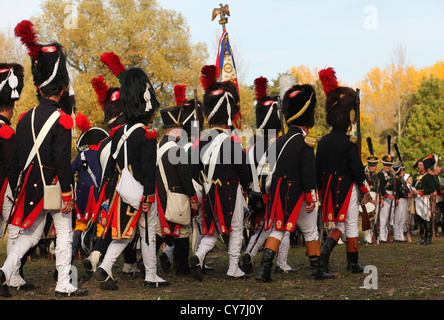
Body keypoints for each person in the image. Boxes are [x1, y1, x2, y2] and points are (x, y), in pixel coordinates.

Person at [0, 20, 88, 298]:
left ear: (39, 89)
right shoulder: (62, 119)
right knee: (63, 232)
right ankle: (63, 283)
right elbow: (63, 159)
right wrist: (66, 191)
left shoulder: (24, 118)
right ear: (61, 90)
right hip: (54, 187)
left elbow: (16, 159)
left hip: (29, 186)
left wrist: (18, 186)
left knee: (31, 235)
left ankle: (5, 270)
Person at [93, 67, 168, 289]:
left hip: (121, 191)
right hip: (140, 192)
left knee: (125, 234)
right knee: (147, 233)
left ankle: (106, 267)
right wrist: (149, 196)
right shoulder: (147, 134)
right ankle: (151, 275)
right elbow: (148, 170)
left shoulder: (119, 133)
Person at [255, 78, 334, 282]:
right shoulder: (305, 142)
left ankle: (264, 269)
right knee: (310, 231)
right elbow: (308, 173)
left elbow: (265, 170)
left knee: (278, 230)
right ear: (308, 117)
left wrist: (266, 193)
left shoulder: (277, 141)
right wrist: (311, 196)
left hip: (280, 193)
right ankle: (316, 270)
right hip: (299, 194)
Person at [189, 65, 250, 281]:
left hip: (208, 191)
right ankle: (233, 267)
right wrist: (248, 186)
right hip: (231, 191)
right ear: (228, 115)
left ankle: (199, 255)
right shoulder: (232, 141)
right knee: (235, 229)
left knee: (211, 230)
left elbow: (194, 171)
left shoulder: (200, 142)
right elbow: (244, 171)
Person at [317, 67, 371, 275]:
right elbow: (356, 169)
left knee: (339, 223)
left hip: (329, 187)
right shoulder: (349, 143)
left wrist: (320, 189)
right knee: (348, 224)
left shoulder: (322, 142)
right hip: (347, 187)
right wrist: (364, 188)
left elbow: (318, 168)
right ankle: (350, 263)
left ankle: (326, 253)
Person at [242, 76, 296, 275]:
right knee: (280, 229)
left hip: (253, 195)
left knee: (261, 228)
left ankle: (251, 251)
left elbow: (246, 174)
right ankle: (280, 262)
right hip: (273, 194)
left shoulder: (250, 147)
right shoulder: (279, 145)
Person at [155, 102, 199, 276]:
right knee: (182, 231)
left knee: (159, 231)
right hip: (176, 195)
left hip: (160, 198)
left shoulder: (157, 148)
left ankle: (146, 262)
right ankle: (181, 267)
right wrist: (193, 196)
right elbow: (185, 177)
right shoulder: (177, 150)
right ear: (176, 129)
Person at [0, 62, 28, 291]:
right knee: (16, 233)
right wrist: (16, 191)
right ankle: (11, 277)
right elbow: (12, 168)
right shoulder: (7, 132)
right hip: (5, 192)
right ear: (9, 107)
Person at [71, 113, 108, 261]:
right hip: (99, 194)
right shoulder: (103, 155)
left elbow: (70, 171)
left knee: (80, 224)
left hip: (83, 195)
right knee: (101, 223)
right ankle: (97, 258)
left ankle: (72, 255)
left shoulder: (81, 156)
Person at [412, 155, 437, 245]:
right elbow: (414, 187)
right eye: (418, 165)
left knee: (426, 218)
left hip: (425, 198)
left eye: (421, 165)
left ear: (424, 166)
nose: (419, 166)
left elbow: (432, 188)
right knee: (420, 219)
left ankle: (428, 238)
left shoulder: (429, 176)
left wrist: (421, 193)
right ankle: (422, 238)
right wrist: (413, 191)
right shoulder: (416, 176)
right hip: (417, 199)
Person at [376, 151, 396, 243]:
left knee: (390, 217)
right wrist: (387, 196)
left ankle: (387, 235)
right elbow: (379, 188)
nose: (388, 167)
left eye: (389, 165)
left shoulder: (392, 174)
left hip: (392, 196)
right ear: (383, 164)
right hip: (385, 197)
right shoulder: (380, 174)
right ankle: (382, 236)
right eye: (386, 165)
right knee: (384, 218)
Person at [363, 137, 378, 244]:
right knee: (367, 218)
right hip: (368, 196)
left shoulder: (378, 175)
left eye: (374, 165)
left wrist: (380, 198)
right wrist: (370, 199)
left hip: (376, 197)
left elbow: (380, 188)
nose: (372, 167)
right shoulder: (365, 173)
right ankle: (367, 238)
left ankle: (373, 237)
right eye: (371, 165)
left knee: (375, 219)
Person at [392, 163, 410, 242]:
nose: (404, 172)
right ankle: (397, 235)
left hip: (404, 200)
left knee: (403, 218)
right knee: (398, 218)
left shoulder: (402, 180)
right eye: (403, 170)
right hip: (400, 200)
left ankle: (401, 234)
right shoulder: (397, 180)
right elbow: (398, 192)